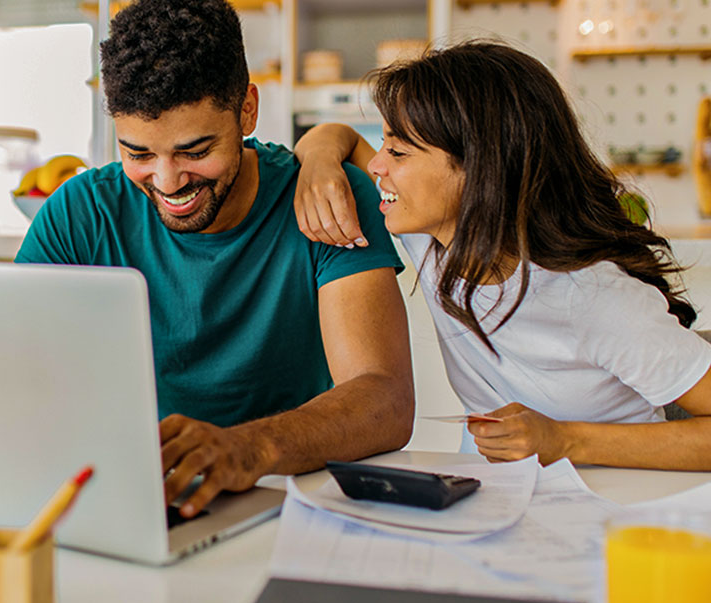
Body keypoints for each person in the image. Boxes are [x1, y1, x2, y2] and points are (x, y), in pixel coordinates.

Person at [15, 0, 415, 517]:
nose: (167, 181)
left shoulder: (324, 198)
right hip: (133, 502)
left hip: (287, 501)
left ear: (247, 109)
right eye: (138, 154)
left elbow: (385, 400)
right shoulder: (79, 213)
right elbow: (12, 373)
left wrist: (247, 449)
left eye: (195, 150)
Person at [293, 41, 711, 470]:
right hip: (497, 508)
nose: (378, 166)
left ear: (481, 170)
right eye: (382, 145)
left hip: (609, 513)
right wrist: (320, 163)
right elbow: (335, 135)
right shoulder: (435, 242)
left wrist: (565, 440)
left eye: (398, 152)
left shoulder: (593, 295)